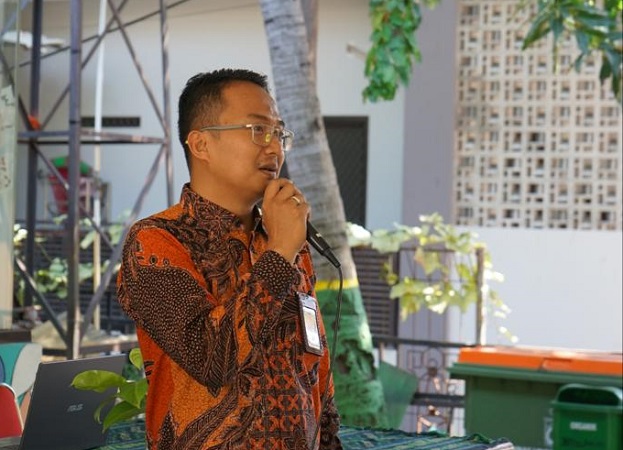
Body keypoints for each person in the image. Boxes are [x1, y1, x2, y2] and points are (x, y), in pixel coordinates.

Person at [117, 68, 343, 449]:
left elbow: (316, 375)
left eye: (279, 133)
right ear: (201, 144)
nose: (275, 149)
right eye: (258, 130)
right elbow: (210, 358)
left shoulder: (284, 240)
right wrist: (280, 253)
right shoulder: (155, 241)